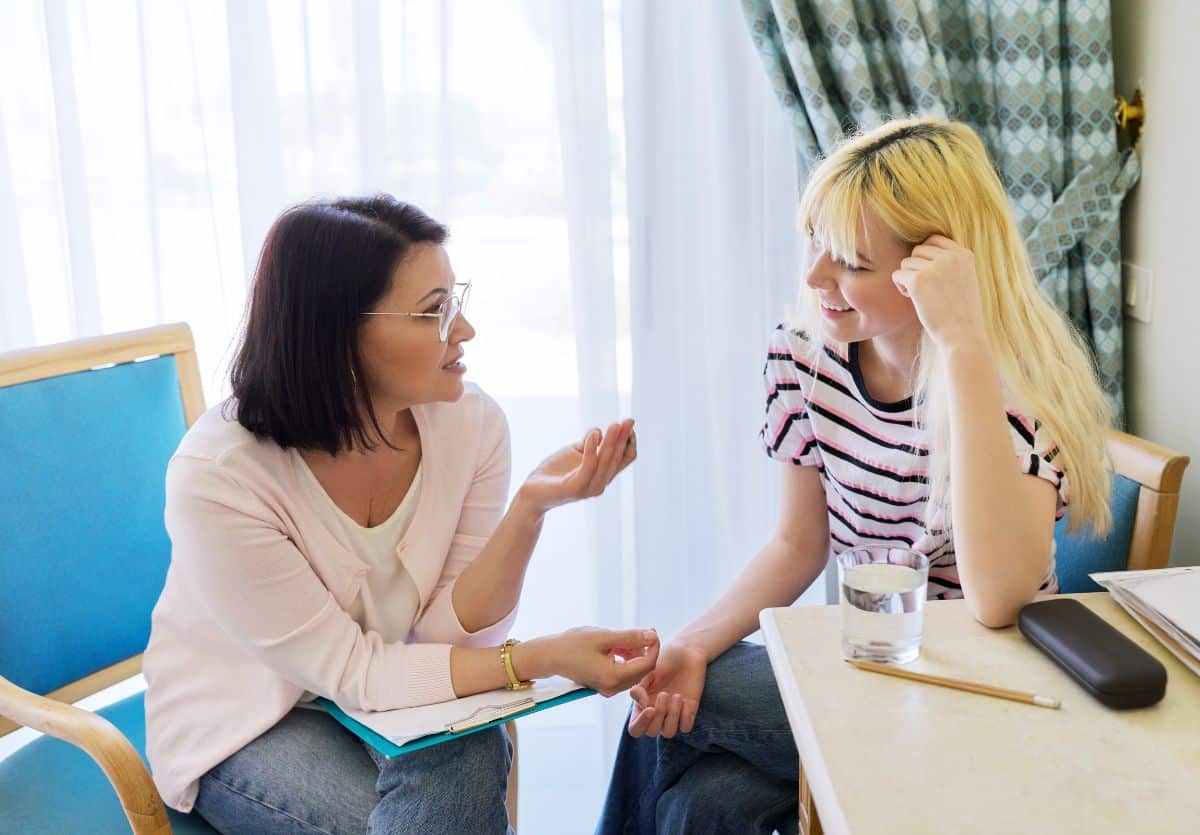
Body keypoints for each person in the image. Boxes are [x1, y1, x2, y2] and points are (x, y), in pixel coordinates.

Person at [597, 117, 1114, 834]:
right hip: (868, 661)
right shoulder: (802, 357)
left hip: (986, 692)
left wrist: (962, 345)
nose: (814, 277)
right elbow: (796, 545)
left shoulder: (1012, 392)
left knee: (689, 702)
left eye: (849, 261)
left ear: (939, 268)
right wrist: (694, 641)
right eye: (816, 244)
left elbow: (997, 603)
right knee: (700, 803)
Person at [143, 195, 658, 834]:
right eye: (433, 312)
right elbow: (355, 672)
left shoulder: (471, 426)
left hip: (388, 697)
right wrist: (541, 657)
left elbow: (448, 642)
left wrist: (531, 507)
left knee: (469, 747)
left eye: (455, 300)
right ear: (338, 335)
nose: (464, 330)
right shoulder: (221, 478)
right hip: (252, 718)